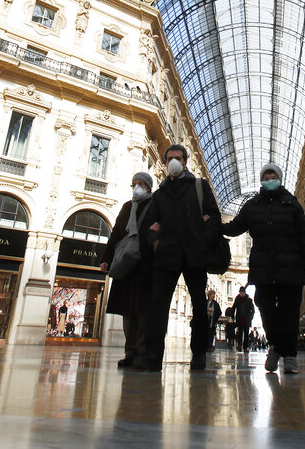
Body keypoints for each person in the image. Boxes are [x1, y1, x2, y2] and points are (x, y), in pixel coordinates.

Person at [223, 163, 305, 374]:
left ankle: (290, 357)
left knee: (290, 314)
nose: (269, 178)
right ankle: (276, 346)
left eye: (273, 175)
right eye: (266, 175)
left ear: (280, 178)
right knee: (266, 309)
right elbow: (234, 227)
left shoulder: (292, 203)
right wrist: (213, 223)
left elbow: (304, 234)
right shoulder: (252, 205)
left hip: (291, 267)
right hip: (263, 267)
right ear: (261, 179)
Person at [138, 143, 222, 371]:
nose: (173, 162)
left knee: (198, 304)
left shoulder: (199, 186)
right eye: (169, 159)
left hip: (195, 255)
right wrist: (156, 243)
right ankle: (153, 357)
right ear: (165, 164)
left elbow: (214, 218)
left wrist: (203, 241)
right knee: (158, 305)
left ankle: (199, 354)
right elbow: (149, 224)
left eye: (178, 158)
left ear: (185, 162)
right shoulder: (160, 193)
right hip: (167, 254)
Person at [99, 172, 155, 368]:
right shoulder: (127, 207)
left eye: (141, 184)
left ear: (149, 186)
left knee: (142, 311)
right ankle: (129, 352)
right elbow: (115, 233)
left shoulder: (155, 205)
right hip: (125, 265)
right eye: (134, 184)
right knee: (127, 311)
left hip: (145, 265)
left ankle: (141, 351)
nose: (137, 187)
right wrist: (106, 258)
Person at [231, 286, 255, 353]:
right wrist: (232, 317)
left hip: (246, 319)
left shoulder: (249, 300)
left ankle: (245, 347)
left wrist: (250, 318)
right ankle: (239, 345)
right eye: (241, 292)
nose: (241, 294)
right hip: (239, 319)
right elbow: (233, 308)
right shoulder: (237, 299)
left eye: (243, 292)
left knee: (246, 334)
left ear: (245, 293)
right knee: (239, 333)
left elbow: (252, 310)